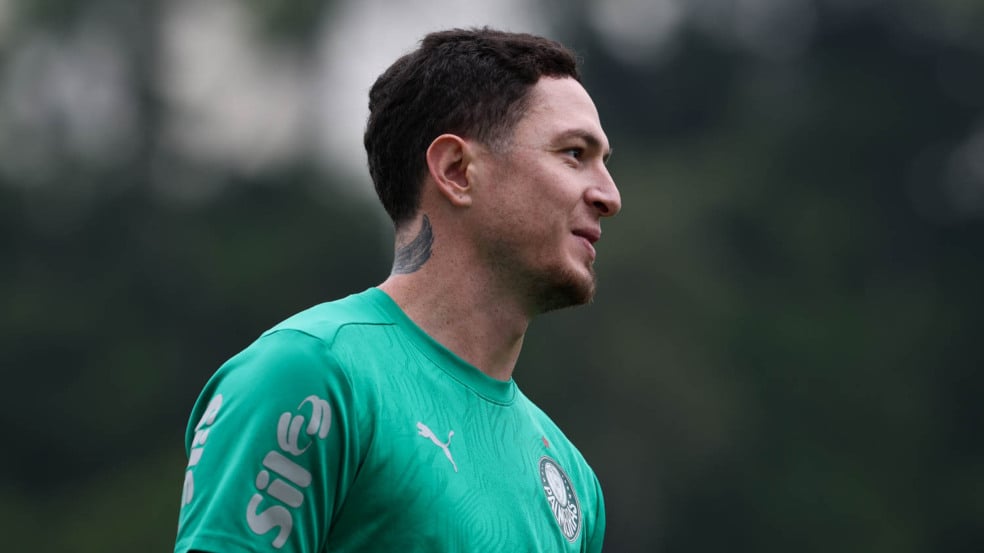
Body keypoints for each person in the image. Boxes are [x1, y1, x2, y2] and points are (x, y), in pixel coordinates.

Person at [174, 27, 621, 553]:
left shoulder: (573, 482)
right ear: (456, 170)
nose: (608, 196)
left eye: (603, 163)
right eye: (573, 153)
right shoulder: (309, 376)